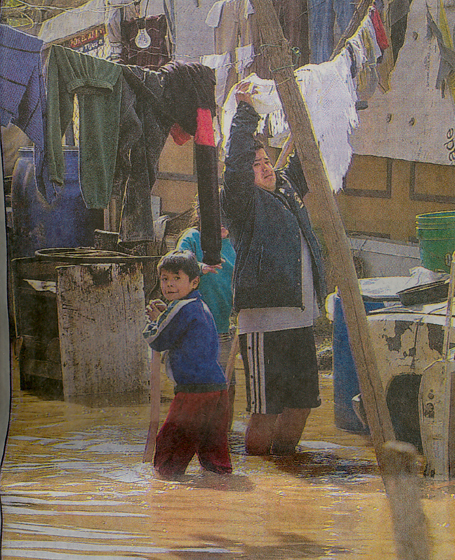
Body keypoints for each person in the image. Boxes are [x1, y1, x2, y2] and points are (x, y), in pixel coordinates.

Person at [221, 82, 327, 456]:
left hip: (299, 317)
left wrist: (307, 113)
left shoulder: (285, 191)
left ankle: (285, 473)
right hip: (264, 322)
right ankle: (258, 479)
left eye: (267, 161)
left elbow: (305, 160)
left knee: (301, 405)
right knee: (265, 411)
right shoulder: (242, 204)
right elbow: (235, 165)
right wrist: (246, 112)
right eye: (257, 164)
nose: (265, 168)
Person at [143, 250, 232, 478]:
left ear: (194, 282)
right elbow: (176, 328)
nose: (169, 285)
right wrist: (165, 317)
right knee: (214, 454)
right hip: (218, 389)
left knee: (171, 448)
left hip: (194, 392)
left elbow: (157, 339)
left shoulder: (181, 308)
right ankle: (219, 491)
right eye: (165, 279)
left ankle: (163, 491)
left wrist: (155, 322)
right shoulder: (198, 305)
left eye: (176, 278)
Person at [176, 203, 237, 428]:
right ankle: (193, 436)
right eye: (215, 218)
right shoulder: (192, 237)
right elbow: (177, 264)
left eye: (226, 218)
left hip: (222, 330)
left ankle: (223, 437)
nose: (221, 223)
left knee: (227, 388)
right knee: (196, 390)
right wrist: (200, 267)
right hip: (195, 330)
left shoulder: (233, 245)